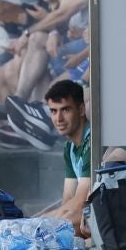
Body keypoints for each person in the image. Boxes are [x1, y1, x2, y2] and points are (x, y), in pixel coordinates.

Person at [38, 80, 94, 234]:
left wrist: (39, 222)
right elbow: (68, 199)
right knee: (63, 219)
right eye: (53, 111)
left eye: (66, 110)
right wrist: (42, 219)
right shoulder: (69, 147)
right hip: (84, 215)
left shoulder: (92, 141)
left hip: (102, 217)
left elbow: (80, 202)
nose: (58, 119)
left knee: (67, 222)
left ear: (81, 109)